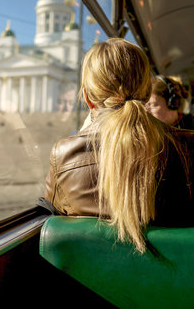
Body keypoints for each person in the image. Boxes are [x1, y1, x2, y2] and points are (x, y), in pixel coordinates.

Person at [44, 38, 194, 253]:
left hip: (92, 283)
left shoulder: (65, 154)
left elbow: (54, 217)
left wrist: (87, 130)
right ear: (146, 91)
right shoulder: (188, 146)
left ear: (87, 98)